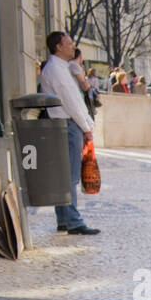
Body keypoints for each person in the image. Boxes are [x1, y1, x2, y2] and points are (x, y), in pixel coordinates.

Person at [38, 32, 99, 236]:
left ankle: (64, 219)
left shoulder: (60, 68)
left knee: (64, 174)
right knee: (70, 176)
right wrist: (86, 127)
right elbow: (72, 102)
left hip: (64, 123)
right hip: (67, 124)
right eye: (69, 43)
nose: (73, 47)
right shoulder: (56, 70)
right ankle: (73, 221)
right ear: (58, 47)